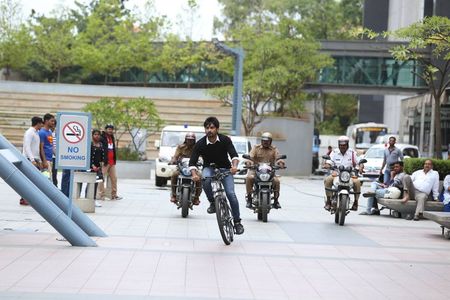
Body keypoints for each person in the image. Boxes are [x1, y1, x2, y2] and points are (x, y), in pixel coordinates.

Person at [189, 116, 244, 235]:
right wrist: (194, 174)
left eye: (212, 128)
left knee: (231, 194)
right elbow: (192, 162)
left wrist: (234, 167)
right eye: (207, 128)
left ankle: (237, 222)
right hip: (209, 168)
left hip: (225, 169)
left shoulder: (225, 140)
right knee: (205, 179)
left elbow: (234, 155)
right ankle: (213, 202)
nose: (209, 130)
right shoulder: (200, 144)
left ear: (217, 129)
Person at [245, 132, 285, 209]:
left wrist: (281, 163)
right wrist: (248, 163)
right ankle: (249, 199)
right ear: (261, 141)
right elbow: (250, 157)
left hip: (269, 171)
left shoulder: (274, 149)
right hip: (256, 170)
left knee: (276, 181)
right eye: (264, 140)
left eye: (267, 141)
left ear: (271, 141)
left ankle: (276, 201)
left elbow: (278, 158)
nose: (265, 142)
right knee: (249, 178)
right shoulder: (256, 148)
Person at [323, 136, 362, 211]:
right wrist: (327, 165)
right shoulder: (334, 152)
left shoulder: (352, 152)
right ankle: (328, 201)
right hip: (337, 173)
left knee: (357, 182)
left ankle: (356, 202)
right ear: (338, 145)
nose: (342, 147)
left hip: (350, 174)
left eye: (344, 145)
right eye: (341, 145)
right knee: (328, 180)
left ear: (347, 145)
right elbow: (329, 161)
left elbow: (359, 162)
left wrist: (360, 167)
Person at [169, 132, 202, 205]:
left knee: (199, 177)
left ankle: (196, 197)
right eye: (188, 139)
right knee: (174, 174)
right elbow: (176, 156)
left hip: (194, 169)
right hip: (182, 168)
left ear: (194, 140)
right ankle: (174, 195)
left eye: (191, 140)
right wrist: (173, 160)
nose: (190, 141)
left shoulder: (197, 147)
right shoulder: (180, 147)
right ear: (185, 140)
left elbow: (202, 156)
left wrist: (203, 161)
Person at [21, 116, 44, 205]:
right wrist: (32, 160)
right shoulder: (30, 133)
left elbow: (35, 148)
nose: (42, 125)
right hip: (29, 159)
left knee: (33, 180)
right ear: (38, 123)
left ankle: (29, 198)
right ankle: (24, 198)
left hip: (34, 159)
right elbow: (27, 147)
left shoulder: (36, 133)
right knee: (28, 180)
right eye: (41, 123)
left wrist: (38, 160)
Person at [98, 124, 122, 200]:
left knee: (114, 178)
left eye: (111, 129)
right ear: (105, 130)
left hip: (112, 162)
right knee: (101, 178)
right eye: (109, 129)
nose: (110, 130)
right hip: (105, 162)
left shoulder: (112, 137)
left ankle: (114, 195)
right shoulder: (102, 138)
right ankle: (102, 195)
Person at [90, 129, 105, 208]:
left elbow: (102, 157)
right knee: (90, 183)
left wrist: (100, 166)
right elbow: (88, 156)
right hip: (91, 167)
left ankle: (94, 200)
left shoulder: (101, 145)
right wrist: (92, 166)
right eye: (95, 134)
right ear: (92, 135)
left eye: (98, 134)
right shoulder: (90, 144)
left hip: (98, 167)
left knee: (96, 183)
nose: (97, 136)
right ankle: (88, 198)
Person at [39, 113, 56, 181]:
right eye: (51, 121)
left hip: (50, 159)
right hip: (46, 160)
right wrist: (44, 161)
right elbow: (41, 148)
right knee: (47, 179)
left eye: (53, 121)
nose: (53, 123)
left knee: (49, 178)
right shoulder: (42, 132)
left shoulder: (49, 132)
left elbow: (51, 145)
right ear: (46, 121)